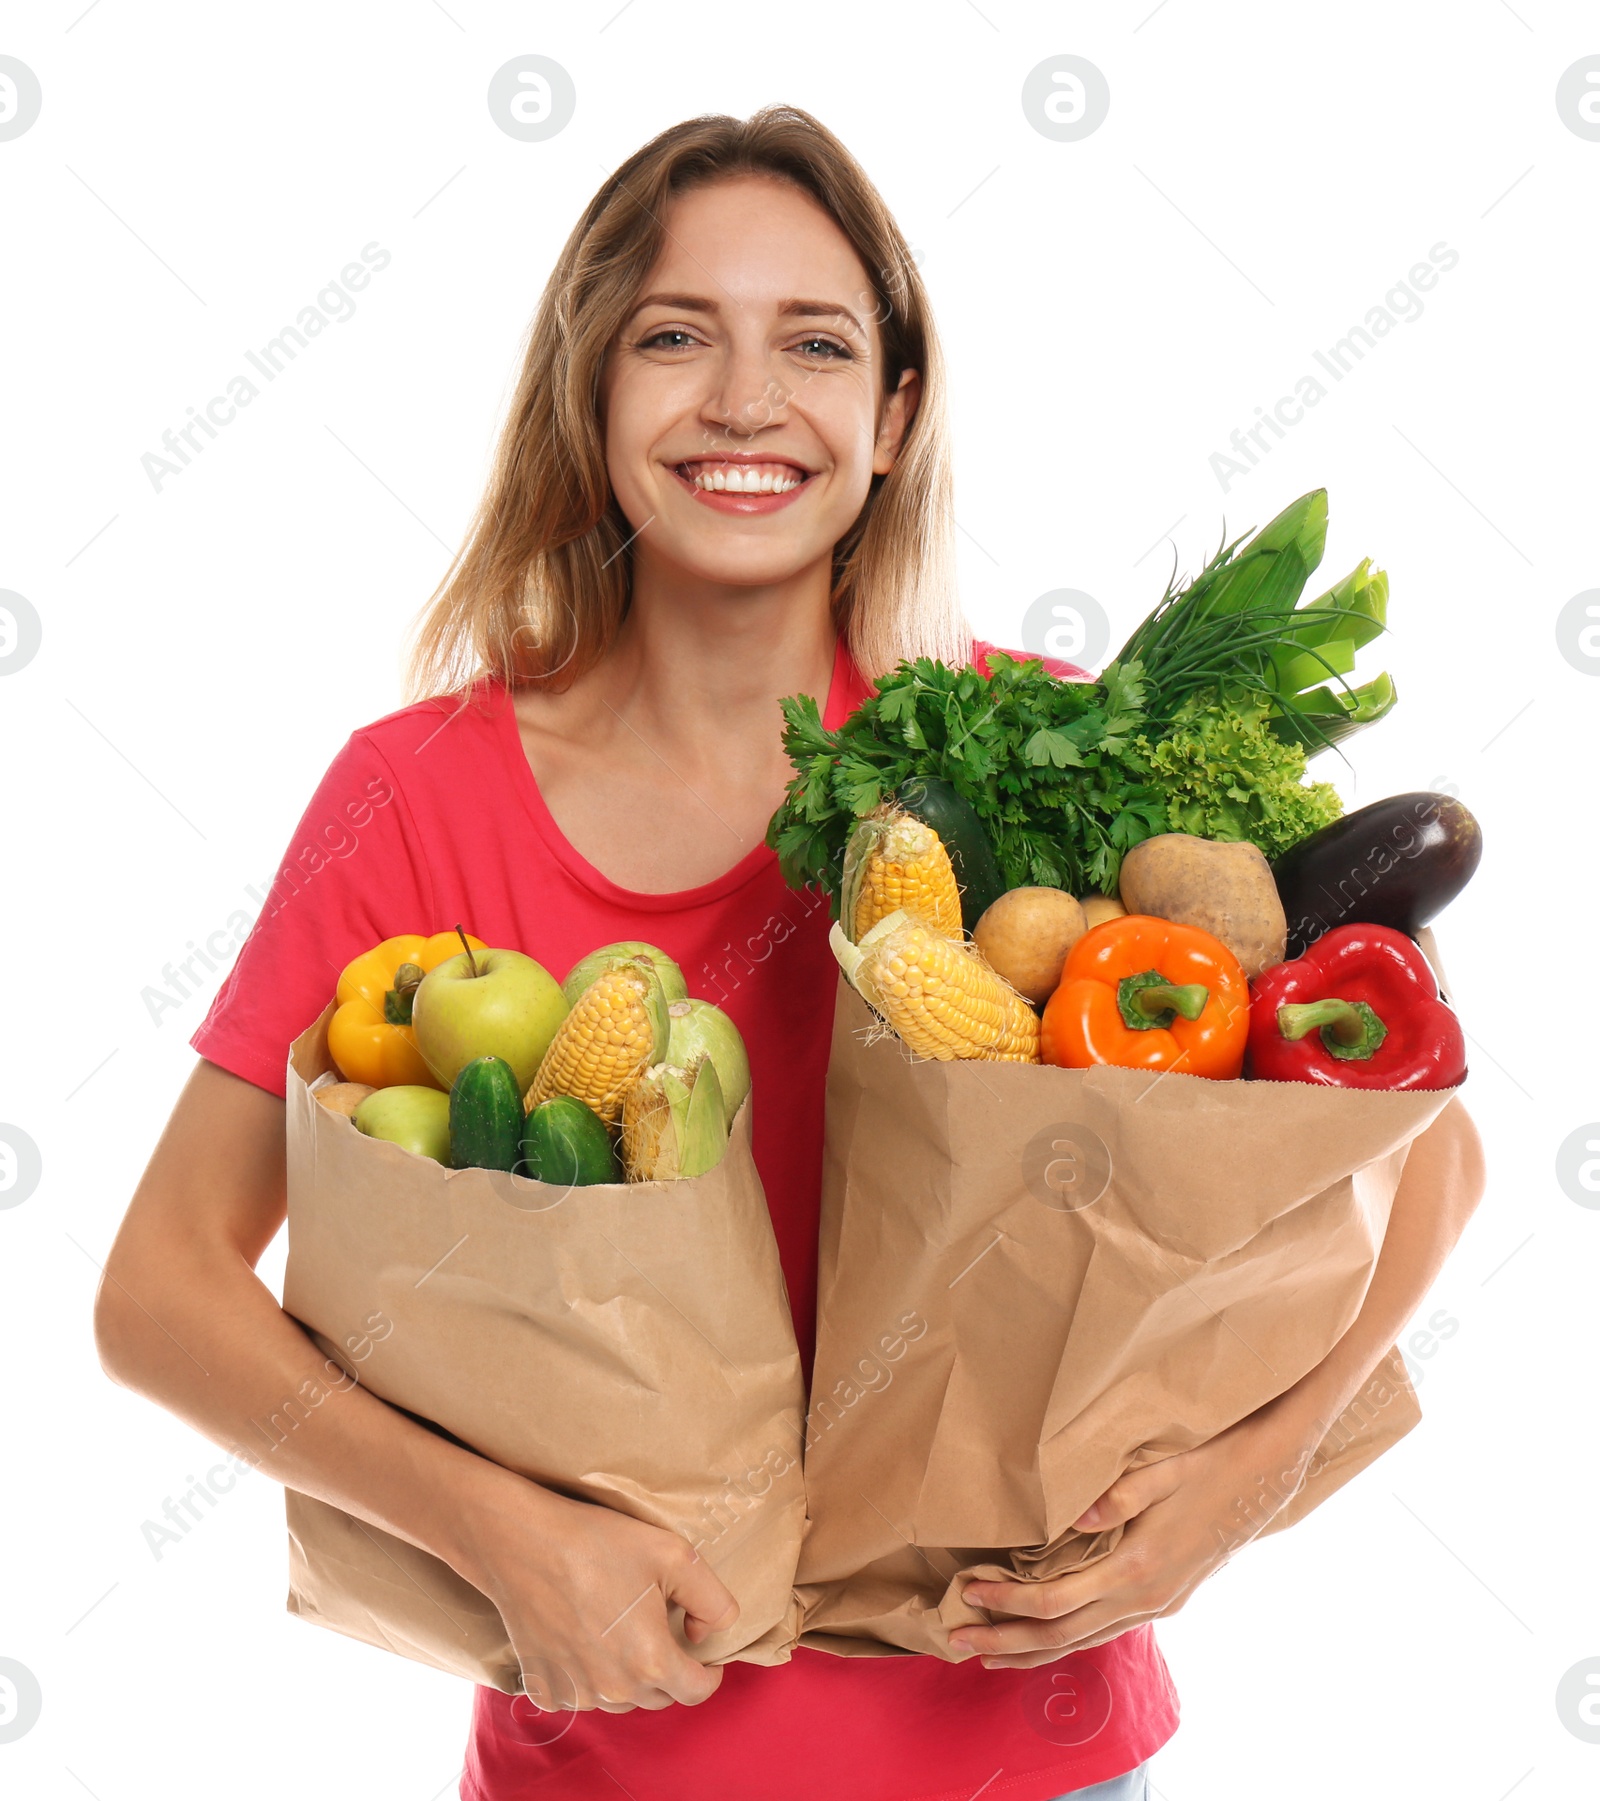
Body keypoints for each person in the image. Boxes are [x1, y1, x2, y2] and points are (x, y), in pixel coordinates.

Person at [94, 106, 1485, 1801]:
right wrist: (504, 1535)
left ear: (893, 415)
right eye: (676, 336)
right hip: (596, 1770)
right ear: (590, 393)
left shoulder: (1034, 757)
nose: (745, 402)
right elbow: (157, 1292)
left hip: (1030, 1761)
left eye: (815, 344)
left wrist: (1245, 1479)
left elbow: (1421, 1163)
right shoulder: (413, 799)